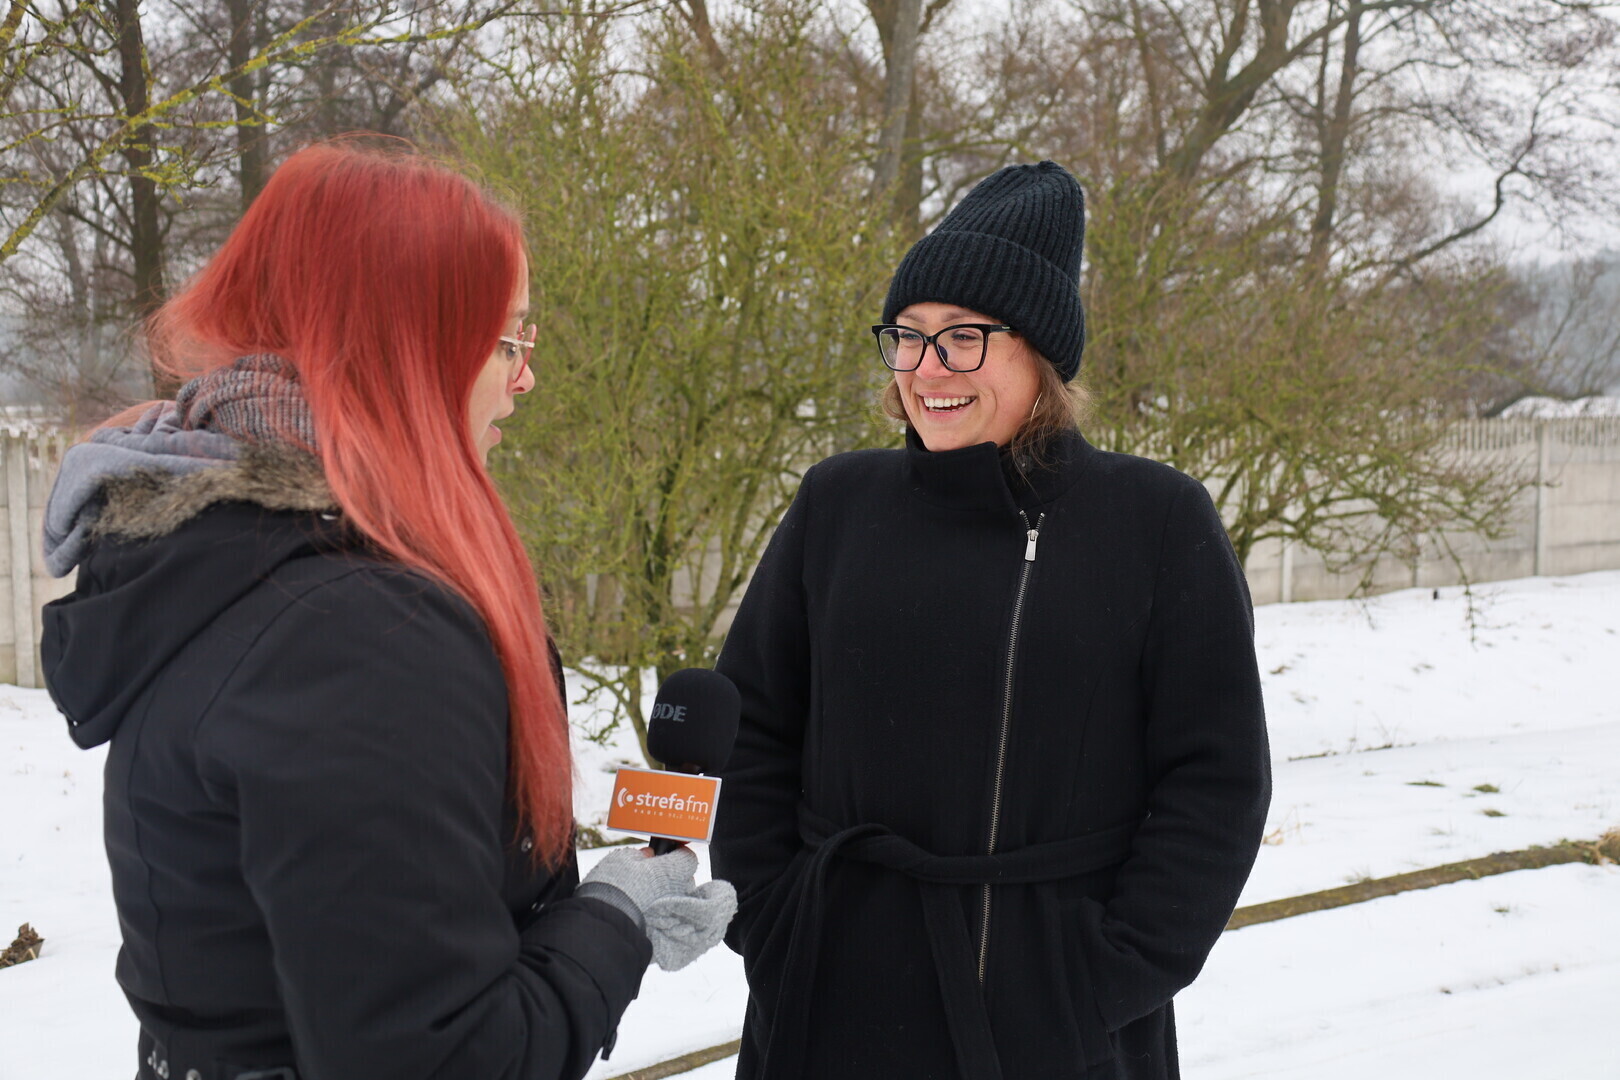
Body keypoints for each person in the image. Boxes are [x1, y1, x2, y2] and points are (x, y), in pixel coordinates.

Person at [40, 141, 735, 1080]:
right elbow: (442, 1058)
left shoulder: (236, 556)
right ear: (410, 347)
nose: (525, 379)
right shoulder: (364, 635)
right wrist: (613, 921)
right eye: (507, 340)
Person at [710, 161, 1271, 1080]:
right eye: (909, 337)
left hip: (1051, 1031)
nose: (928, 370)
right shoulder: (837, 503)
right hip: (823, 1007)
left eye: (964, 338)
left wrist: (1103, 978)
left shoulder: (1156, 520)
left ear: (1039, 355)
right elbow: (756, 726)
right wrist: (771, 923)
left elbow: (1216, 780)